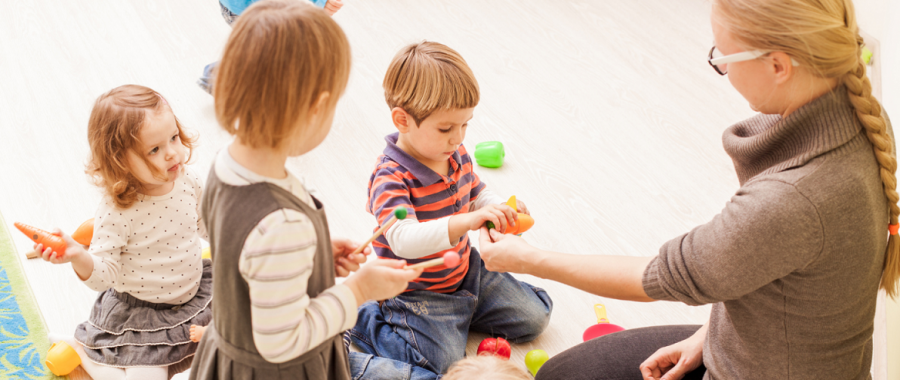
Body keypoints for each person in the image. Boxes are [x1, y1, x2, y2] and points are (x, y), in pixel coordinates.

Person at [477, 0, 897, 379]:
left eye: (724, 57)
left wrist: (528, 259)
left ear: (778, 65)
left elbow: (661, 276)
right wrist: (709, 336)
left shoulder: (791, 199)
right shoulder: (858, 117)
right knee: (563, 372)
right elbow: (773, 274)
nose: (723, 67)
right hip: (785, 355)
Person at [188, 1, 423, 379]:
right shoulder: (281, 225)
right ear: (317, 107)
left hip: (230, 352)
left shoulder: (224, 165)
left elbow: (244, 250)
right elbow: (283, 341)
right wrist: (358, 291)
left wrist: (313, 253)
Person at [346, 41, 552, 377]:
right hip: (417, 292)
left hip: (466, 270)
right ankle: (366, 318)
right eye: (446, 128)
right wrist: (467, 220)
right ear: (403, 120)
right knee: (443, 367)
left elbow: (475, 191)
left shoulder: (452, 152)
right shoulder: (390, 175)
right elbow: (403, 240)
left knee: (536, 318)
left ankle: (465, 313)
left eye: (465, 125)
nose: (458, 138)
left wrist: (494, 207)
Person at [38, 84, 210, 379]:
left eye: (174, 137)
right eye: (154, 149)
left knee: (254, 322)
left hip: (197, 295)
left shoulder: (188, 180)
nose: (172, 154)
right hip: (144, 317)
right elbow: (104, 276)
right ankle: (84, 353)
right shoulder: (117, 212)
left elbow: (206, 226)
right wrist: (78, 255)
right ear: (120, 163)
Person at [197, 0, 344, 94]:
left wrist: (321, 3)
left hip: (285, 10)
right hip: (248, 11)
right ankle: (225, 74)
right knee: (273, 52)